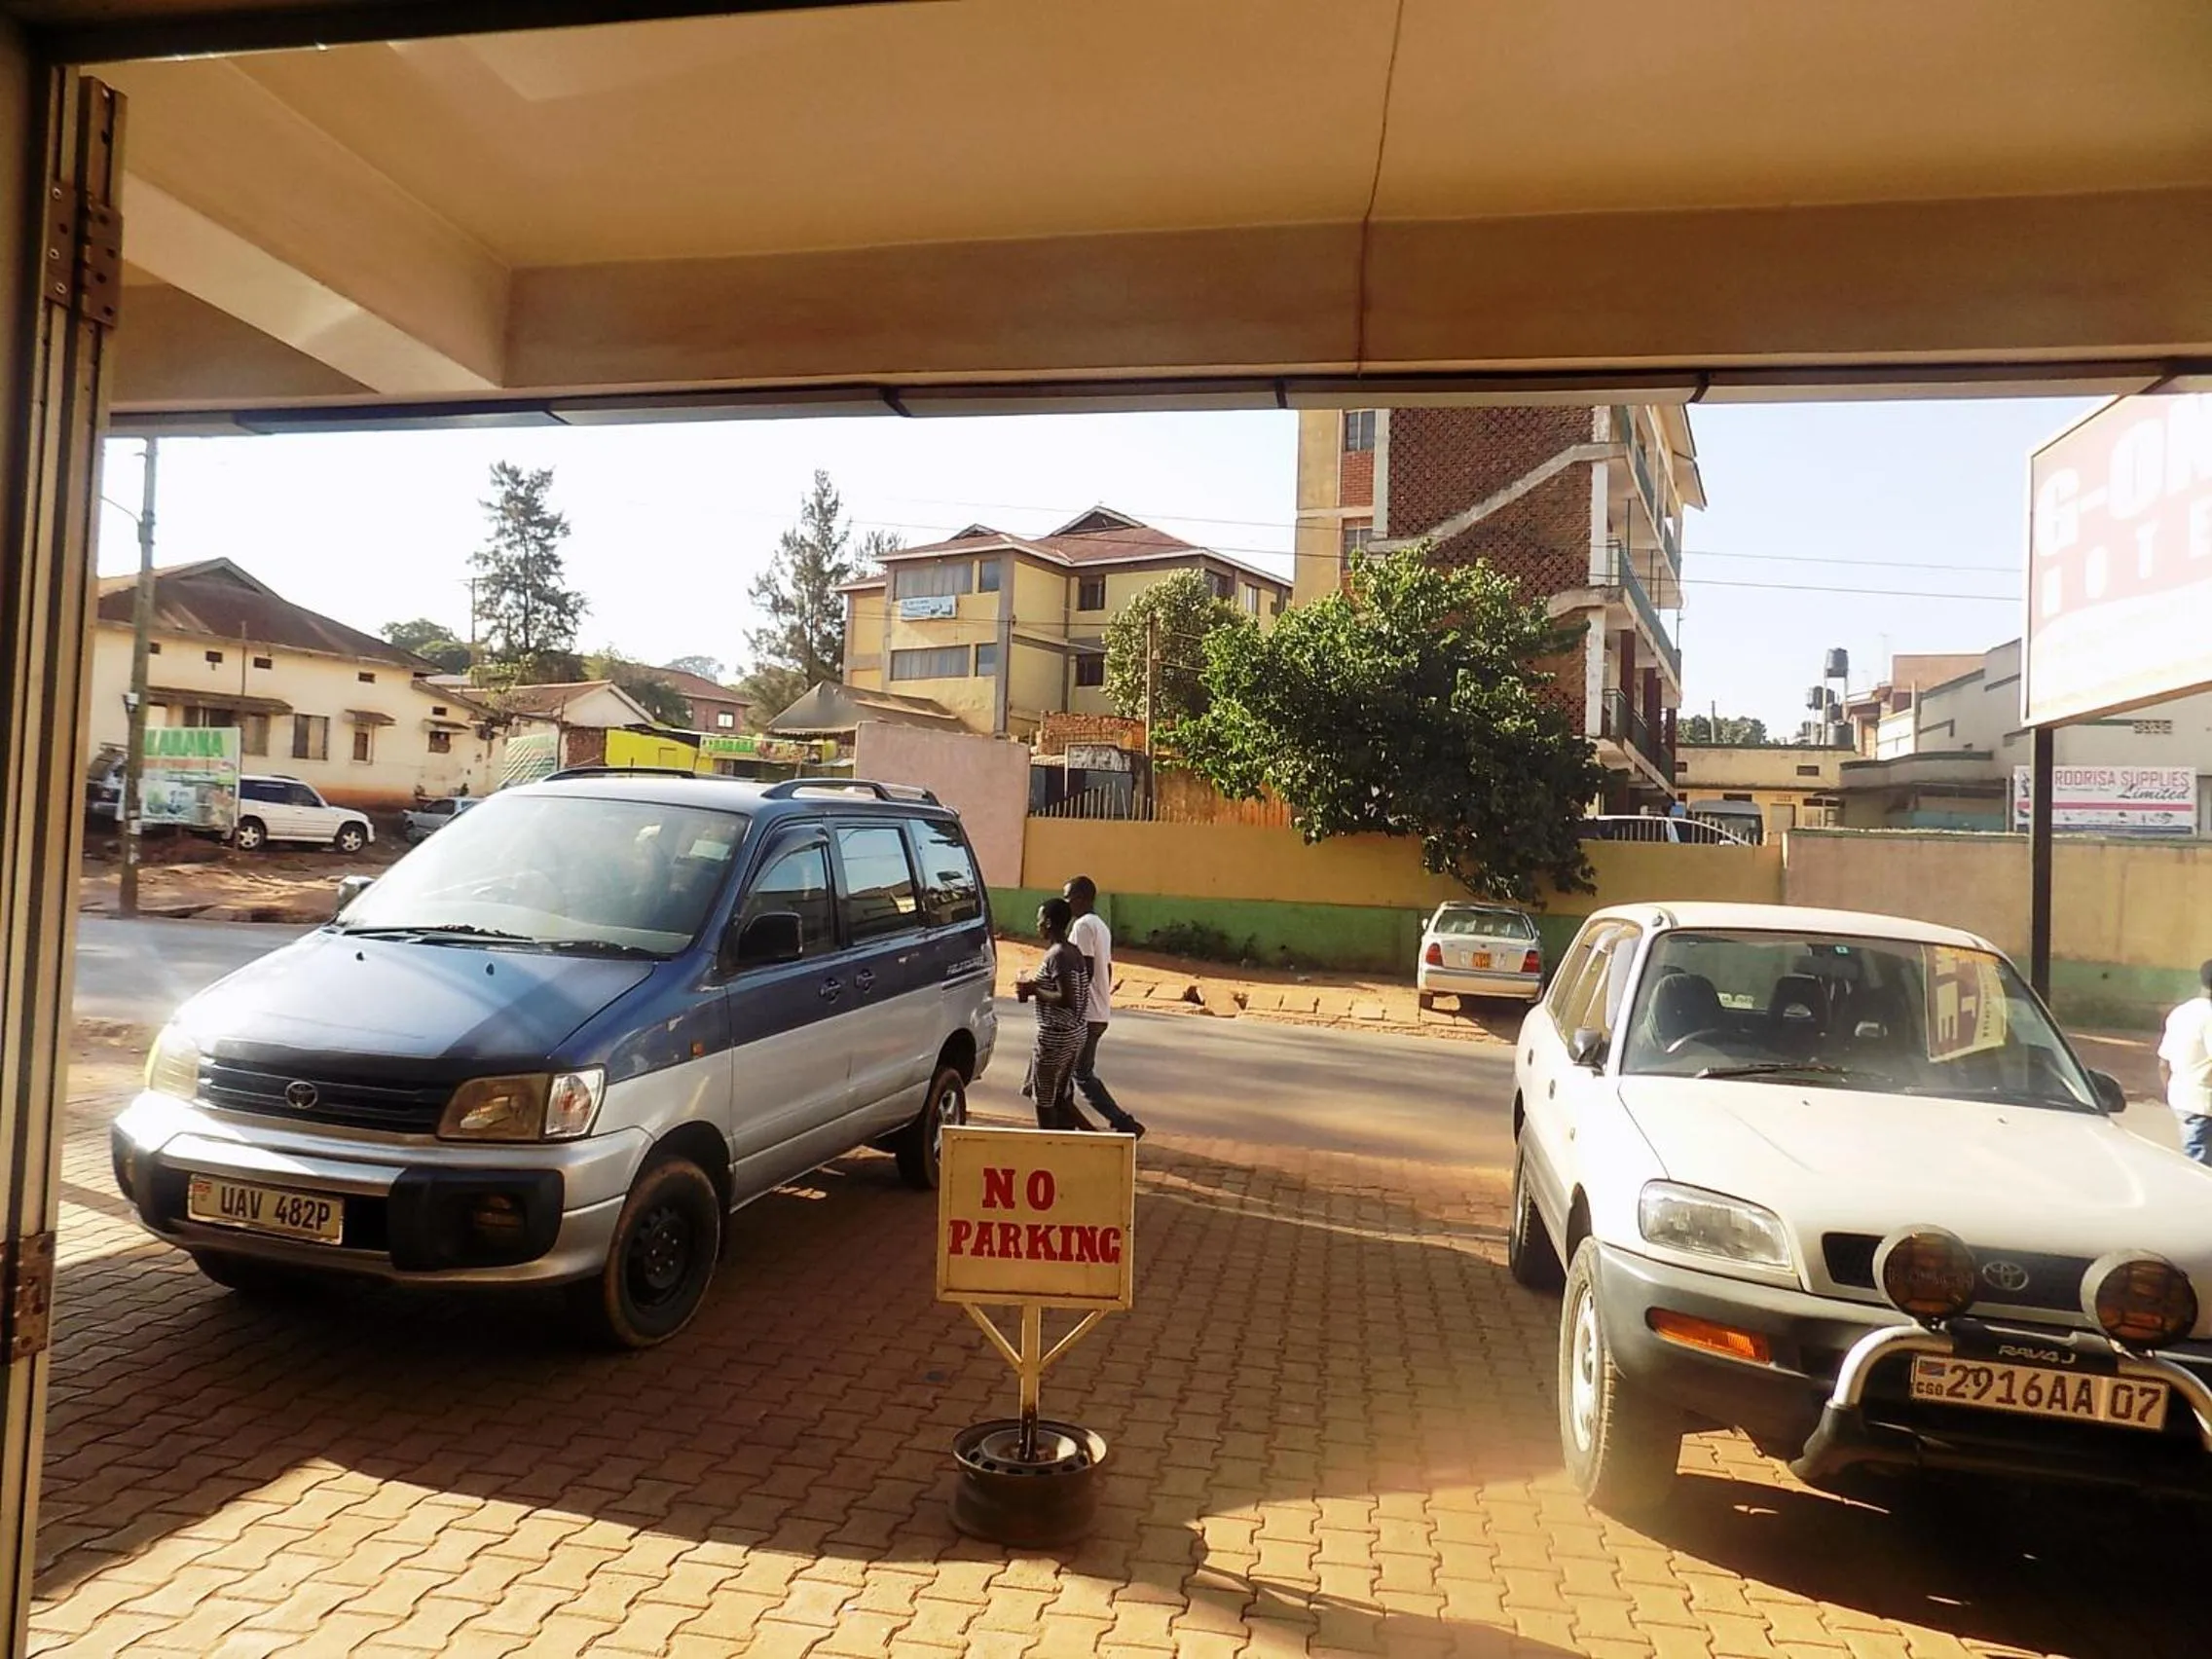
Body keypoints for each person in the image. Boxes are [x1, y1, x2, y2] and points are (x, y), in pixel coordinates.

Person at [1062, 875, 1147, 1138]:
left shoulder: (1082, 926)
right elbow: (1106, 970)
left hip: (1086, 1014)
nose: (1066, 904)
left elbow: (1084, 969)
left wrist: (1071, 1003)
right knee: (1074, 1072)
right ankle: (1068, 1122)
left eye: (1068, 898)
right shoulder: (1100, 926)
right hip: (1098, 1011)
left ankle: (1122, 1122)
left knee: (1079, 1074)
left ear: (1081, 899)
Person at [1016, 899, 1092, 1131]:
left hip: (1056, 1037)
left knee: (1044, 1101)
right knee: (1060, 1097)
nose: (1037, 924)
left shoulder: (1057, 954)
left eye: (1039, 919)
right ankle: (1100, 1141)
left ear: (1048, 923)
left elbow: (1066, 998)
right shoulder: (1073, 951)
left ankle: (1047, 1144)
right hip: (1075, 1033)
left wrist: (1033, 990)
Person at [2158, 960, 2212, 1165]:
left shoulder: (2181, 1012)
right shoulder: (2209, 1017)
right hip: (2203, 1106)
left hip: (2183, 1100)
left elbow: (2163, 1064)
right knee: (2201, 1171)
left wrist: (2173, 1093)